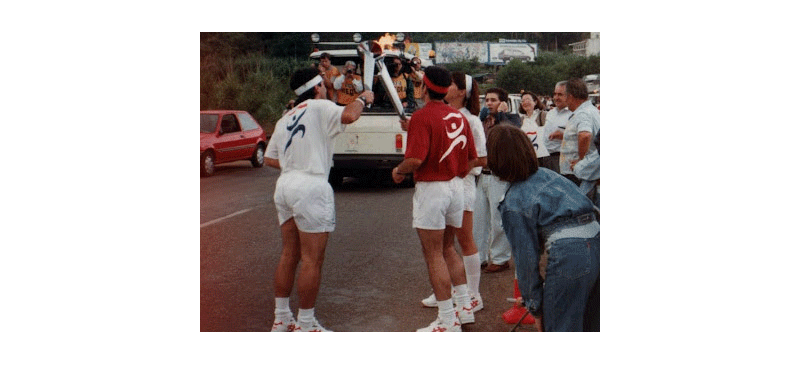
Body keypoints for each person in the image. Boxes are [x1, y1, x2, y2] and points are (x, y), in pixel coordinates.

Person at [266, 67, 374, 332]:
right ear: (316, 88)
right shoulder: (319, 106)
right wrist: (364, 98)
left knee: (289, 254)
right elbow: (349, 115)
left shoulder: (284, 118)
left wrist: (296, 163)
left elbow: (270, 159)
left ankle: (281, 319)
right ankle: (305, 324)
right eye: (323, 86)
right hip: (311, 185)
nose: (326, 89)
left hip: (286, 185)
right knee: (312, 259)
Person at [487, 124, 599, 332]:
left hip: (570, 257)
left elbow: (526, 260)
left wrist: (535, 306)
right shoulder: (550, 175)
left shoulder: (513, 202)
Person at [391, 66, 478, 332]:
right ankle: (464, 306)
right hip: (456, 186)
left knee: (434, 254)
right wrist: (455, 172)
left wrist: (397, 170)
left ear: (424, 88)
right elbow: (472, 158)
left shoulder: (421, 116)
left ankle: (447, 320)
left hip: (432, 188)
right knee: (448, 248)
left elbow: (416, 159)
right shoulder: (459, 117)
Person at [419, 72, 487, 313]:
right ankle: (446, 290)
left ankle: (474, 294)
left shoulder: (472, 120)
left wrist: (456, 171)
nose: (447, 88)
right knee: (444, 242)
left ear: (461, 92)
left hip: (463, 185)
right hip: (449, 185)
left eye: (452, 85)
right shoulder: (448, 115)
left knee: (464, 239)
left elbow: (482, 158)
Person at [474, 87, 519, 274]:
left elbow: (510, 135)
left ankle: (500, 258)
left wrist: (501, 116)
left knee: (497, 219)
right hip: (481, 174)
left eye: (493, 100)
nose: (489, 103)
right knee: (478, 220)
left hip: (498, 176)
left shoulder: (512, 119)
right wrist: (478, 119)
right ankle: (479, 257)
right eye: (487, 100)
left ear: (502, 102)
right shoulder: (481, 120)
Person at [560, 78, 600, 206]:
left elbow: (585, 135)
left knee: (579, 208)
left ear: (570, 96)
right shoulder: (589, 111)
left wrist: (581, 160)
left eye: (564, 95)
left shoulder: (583, 113)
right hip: (583, 173)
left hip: (579, 176)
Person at [540, 81, 572, 173]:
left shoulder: (573, 114)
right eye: (555, 94)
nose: (556, 98)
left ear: (569, 96)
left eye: (560, 95)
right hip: (545, 158)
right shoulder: (550, 113)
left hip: (562, 159)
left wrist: (563, 135)